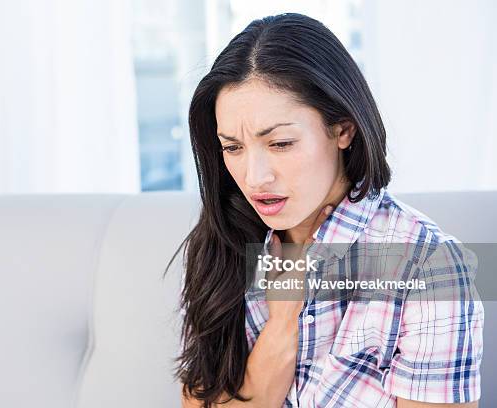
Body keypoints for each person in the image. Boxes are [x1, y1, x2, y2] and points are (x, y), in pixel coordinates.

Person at [172, 13, 483, 408]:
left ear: (343, 130)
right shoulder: (223, 240)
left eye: (280, 143)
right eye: (233, 147)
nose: (254, 177)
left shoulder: (428, 266)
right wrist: (283, 321)